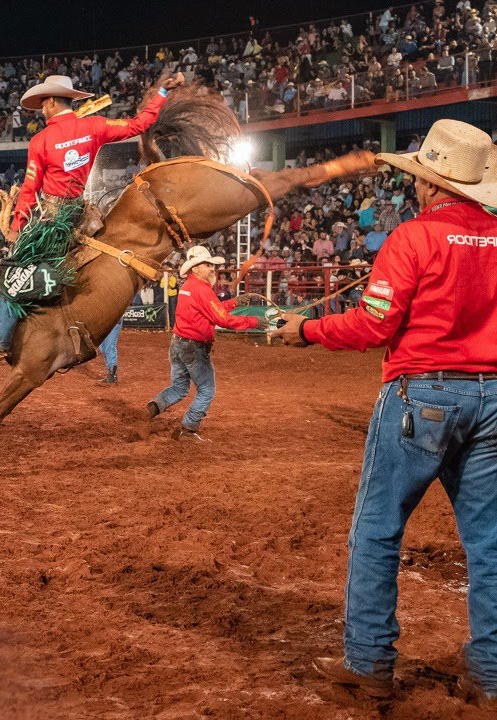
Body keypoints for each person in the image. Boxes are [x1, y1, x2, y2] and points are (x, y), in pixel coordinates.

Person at [274, 119, 497, 705]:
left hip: (423, 392)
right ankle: (492, 675)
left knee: (376, 531)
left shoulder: (414, 237)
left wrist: (308, 330)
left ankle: (369, 661)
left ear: (431, 183)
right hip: (492, 396)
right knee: (490, 542)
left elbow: (373, 325)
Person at [0, 71, 185, 358]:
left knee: (15, 268)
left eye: (43, 104)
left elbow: (30, 188)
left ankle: (1, 339)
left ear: (52, 102)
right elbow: (138, 124)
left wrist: (18, 225)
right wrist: (162, 93)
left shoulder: (41, 140)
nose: (42, 110)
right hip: (80, 212)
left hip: (53, 219)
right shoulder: (93, 126)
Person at [146, 246, 266, 440]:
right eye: (207, 265)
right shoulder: (202, 289)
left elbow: (210, 309)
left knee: (179, 388)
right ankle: (188, 428)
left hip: (178, 343)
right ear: (195, 268)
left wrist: (234, 302)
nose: (212, 269)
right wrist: (253, 322)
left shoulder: (188, 286)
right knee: (206, 389)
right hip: (194, 347)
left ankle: (152, 408)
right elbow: (222, 319)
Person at [98, 319, 123, 385]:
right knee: (103, 348)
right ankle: (111, 373)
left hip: (114, 323)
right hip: (104, 324)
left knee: (109, 347)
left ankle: (112, 375)